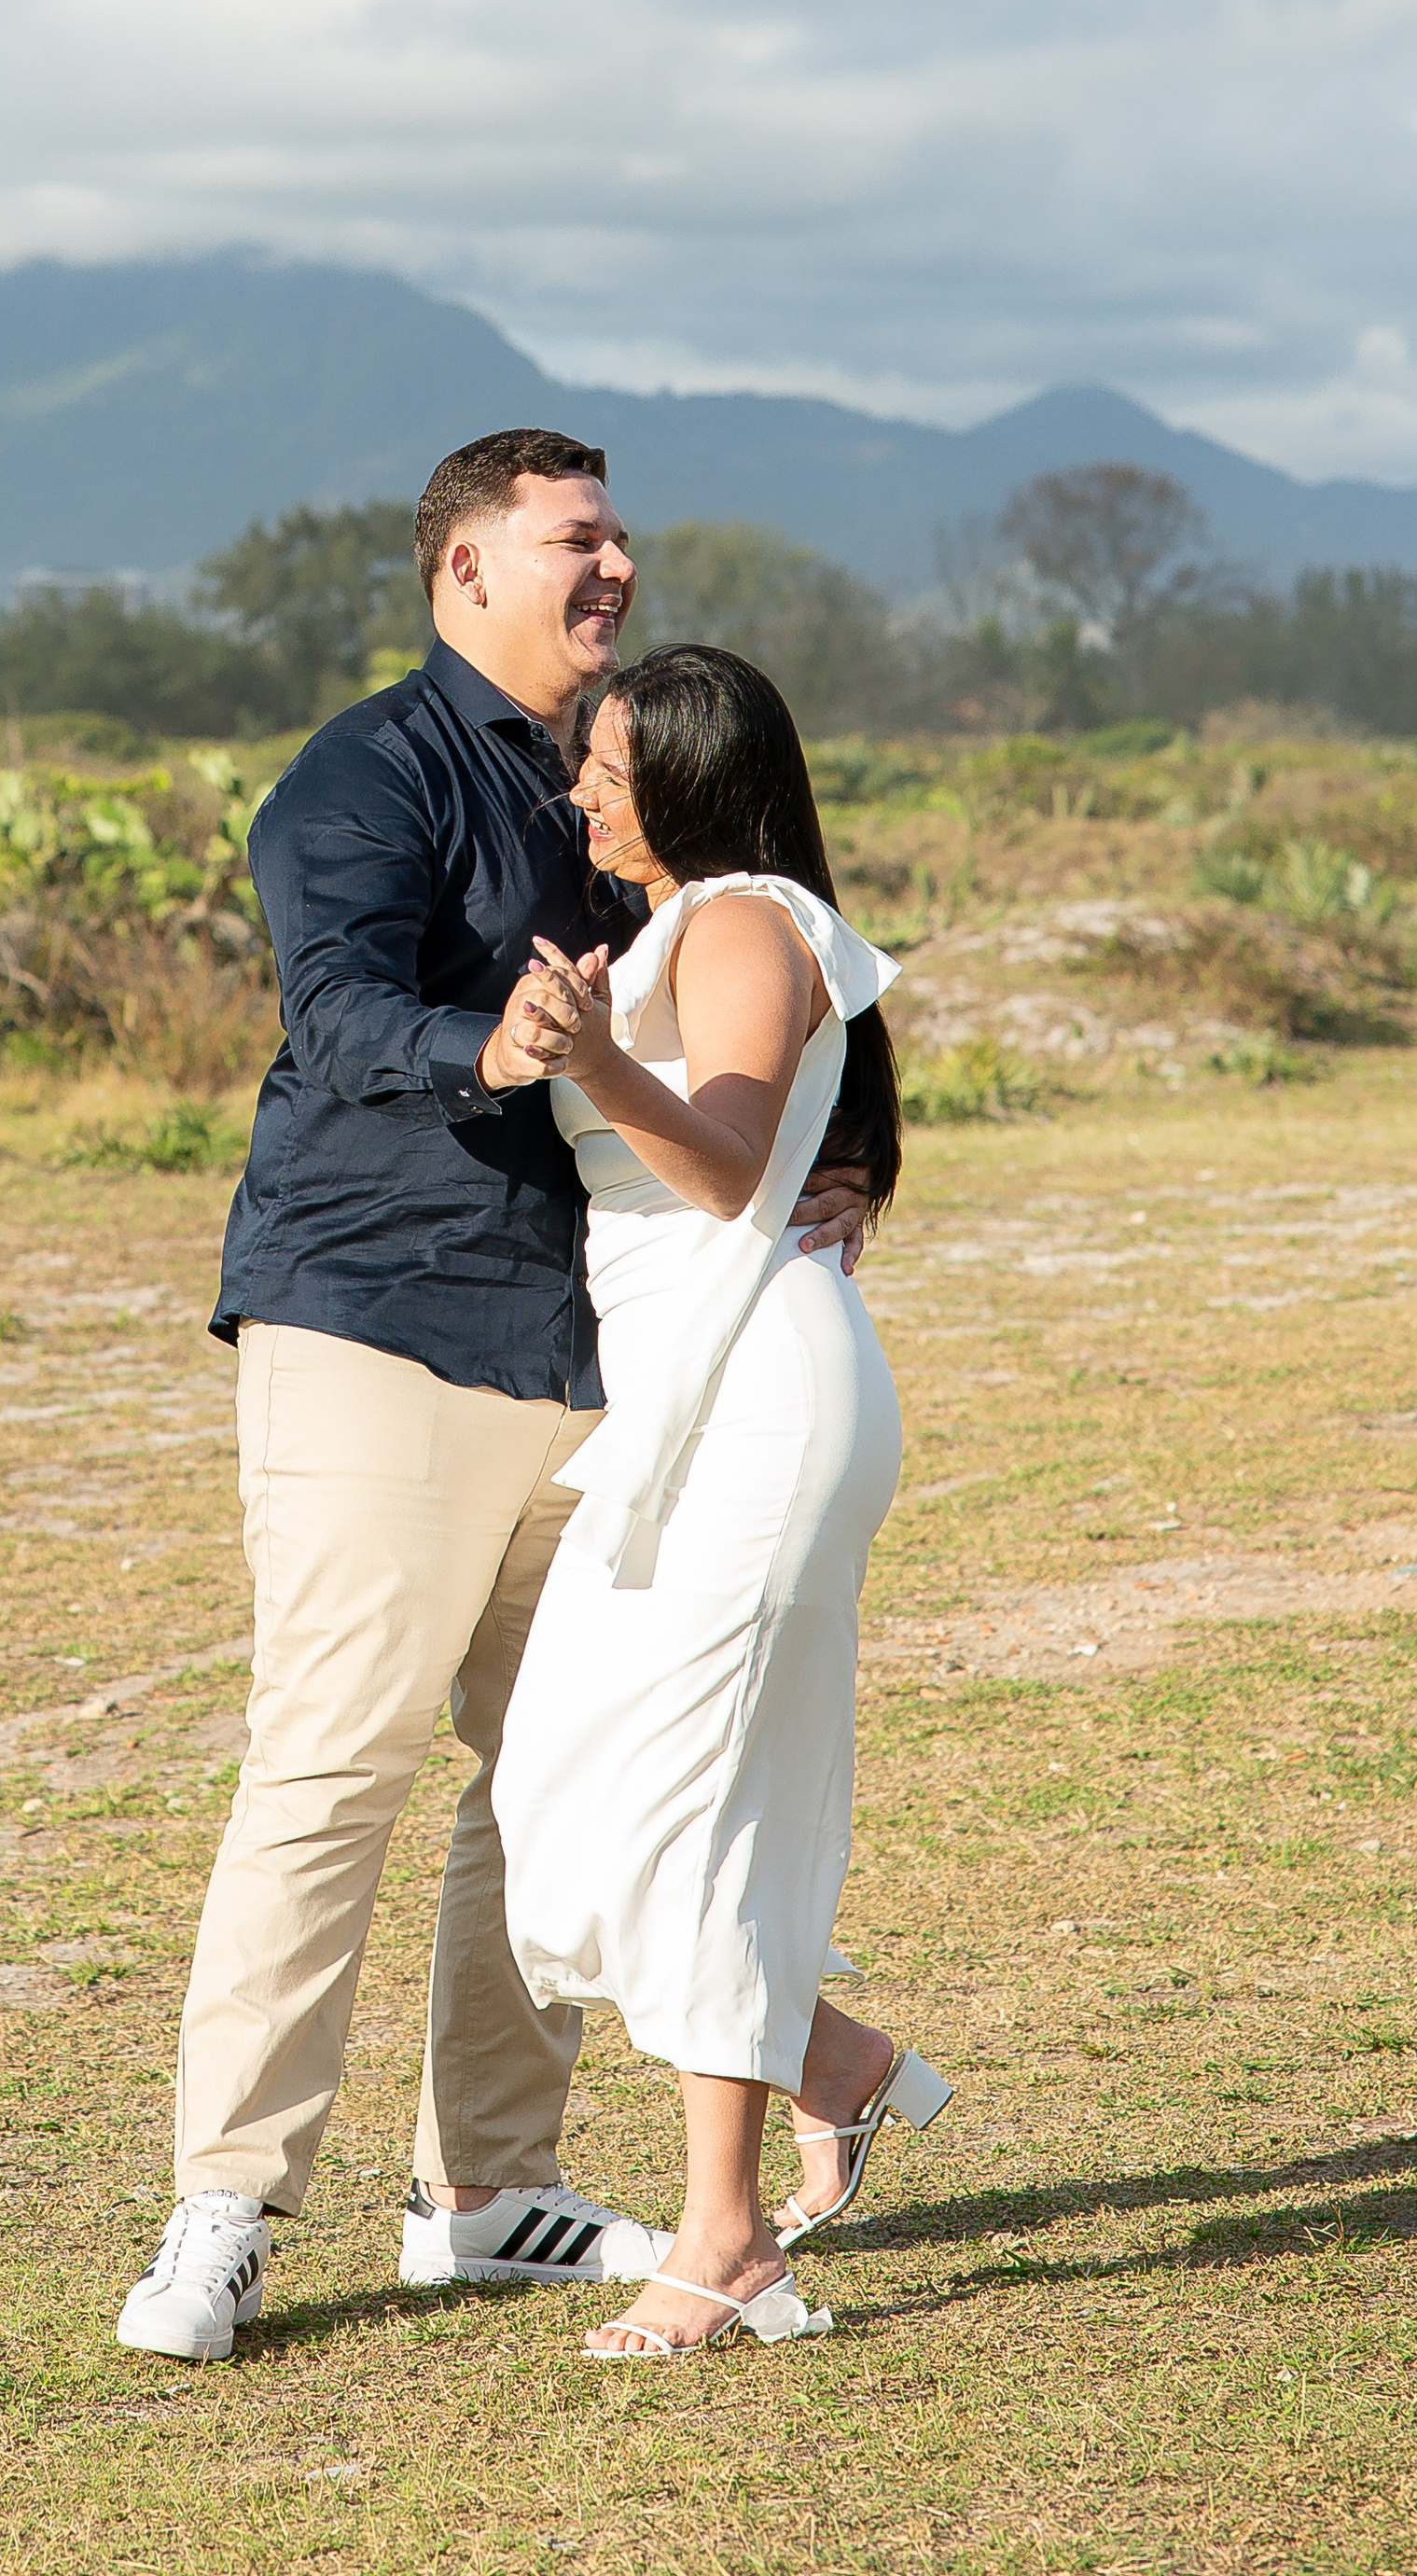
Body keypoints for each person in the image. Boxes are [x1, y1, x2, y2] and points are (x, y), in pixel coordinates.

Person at [115, 437, 868, 2364]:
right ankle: (224, 2206)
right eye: (572, 537)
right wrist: (493, 1036)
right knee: (333, 1753)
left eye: (619, 532)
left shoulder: (639, 773)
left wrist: (848, 1164)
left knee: (550, 1774)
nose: (613, 560)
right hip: (374, 1320)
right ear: (462, 572)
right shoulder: (362, 775)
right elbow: (340, 1010)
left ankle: (488, 2191)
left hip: (606, 1366)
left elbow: (781, 962)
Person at [492, 645, 952, 2362]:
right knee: (561, 1797)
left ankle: (729, 2238)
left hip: (764, 1401)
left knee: (698, 1811)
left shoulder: (746, 915)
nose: (582, 792)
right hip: (682, 1397)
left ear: (687, 775)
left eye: (607, 767)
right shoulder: (684, 924)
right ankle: (829, 2059)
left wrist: (600, 1062)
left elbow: (737, 1160)